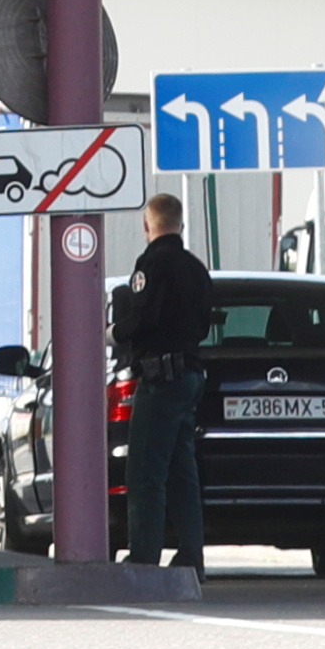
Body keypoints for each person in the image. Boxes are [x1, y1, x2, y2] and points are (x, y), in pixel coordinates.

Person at [113, 193, 217, 569]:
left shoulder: (151, 263)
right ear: (180, 223)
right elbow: (205, 323)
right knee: (181, 471)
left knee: (144, 472)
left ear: (147, 225)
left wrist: (113, 332)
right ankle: (192, 556)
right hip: (190, 374)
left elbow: (144, 317)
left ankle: (143, 557)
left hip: (161, 378)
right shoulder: (195, 267)